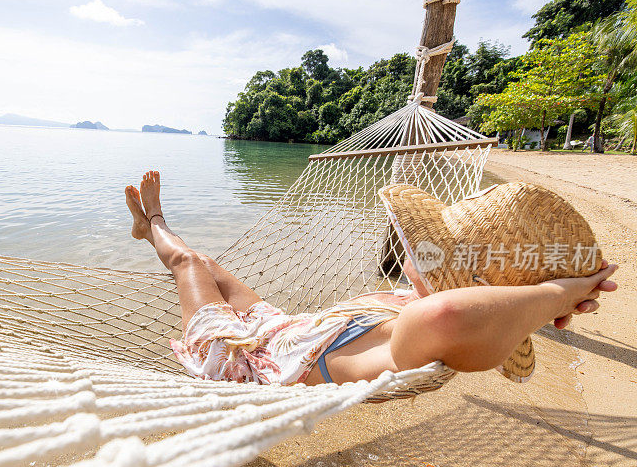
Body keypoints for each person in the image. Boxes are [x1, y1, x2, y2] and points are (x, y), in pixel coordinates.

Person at [125, 171, 618, 386]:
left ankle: (155, 225)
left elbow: (450, 314)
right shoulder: (420, 303)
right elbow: (472, 306)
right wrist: (551, 302)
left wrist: (561, 292)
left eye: (431, 254)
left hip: (240, 363)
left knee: (188, 265)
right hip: (283, 332)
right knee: (207, 263)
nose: (412, 251)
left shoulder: (430, 333)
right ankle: (149, 227)